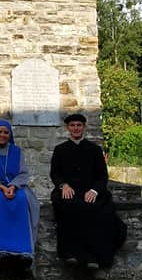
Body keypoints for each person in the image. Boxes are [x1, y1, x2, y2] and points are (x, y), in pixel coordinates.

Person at [50, 112, 126, 269]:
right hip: (68, 191)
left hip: (90, 191)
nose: (76, 128)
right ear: (67, 128)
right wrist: (63, 185)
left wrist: (95, 190)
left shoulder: (94, 150)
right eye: (72, 125)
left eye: (79, 125)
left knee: (97, 211)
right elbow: (55, 173)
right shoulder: (60, 150)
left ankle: (94, 257)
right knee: (68, 208)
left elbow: (102, 175)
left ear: (84, 127)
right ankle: (70, 254)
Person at [0, 119, 39, 266]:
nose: (2, 135)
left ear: (10, 134)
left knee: (21, 200)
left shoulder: (17, 151)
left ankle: (23, 250)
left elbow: (23, 173)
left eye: (6, 132)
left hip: (15, 186)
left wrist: (12, 186)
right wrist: (2, 187)